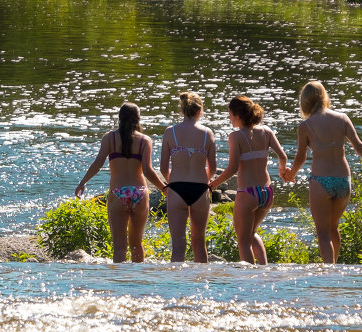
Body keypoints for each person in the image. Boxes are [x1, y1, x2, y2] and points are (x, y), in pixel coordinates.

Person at [282, 80, 362, 264]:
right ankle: (334, 266)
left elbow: (300, 157)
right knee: (333, 227)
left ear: (304, 101)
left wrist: (291, 174)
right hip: (344, 180)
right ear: (324, 97)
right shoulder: (342, 118)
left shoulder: (306, 126)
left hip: (321, 180)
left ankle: (329, 271)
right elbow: (359, 145)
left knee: (322, 231)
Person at [75, 102, 169, 263]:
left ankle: (120, 283)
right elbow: (147, 170)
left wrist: (82, 182)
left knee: (119, 246)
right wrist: (163, 188)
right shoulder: (145, 140)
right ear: (138, 119)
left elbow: (98, 163)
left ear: (119, 118)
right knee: (136, 244)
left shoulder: (109, 138)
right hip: (139, 192)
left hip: (118, 193)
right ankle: (137, 284)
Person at [210, 95, 288, 264]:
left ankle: (249, 278)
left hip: (248, 192)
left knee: (243, 241)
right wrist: (282, 171)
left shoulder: (236, 136)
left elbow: (232, 168)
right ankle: (264, 269)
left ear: (237, 115)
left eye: (230, 114)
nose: (229, 118)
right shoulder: (266, 132)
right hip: (266, 191)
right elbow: (283, 156)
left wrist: (212, 185)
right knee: (252, 234)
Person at [159, 91, 217, 262]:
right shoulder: (208, 133)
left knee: (178, 244)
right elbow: (212, 168)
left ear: (182, 111)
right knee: (199, 242)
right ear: (199, 111)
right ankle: (201, 282)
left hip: (177, 188)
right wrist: (203, 179)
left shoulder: (171, 132)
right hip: (200, 189)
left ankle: (176, 284)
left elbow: (163, 168)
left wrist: (172, 183)